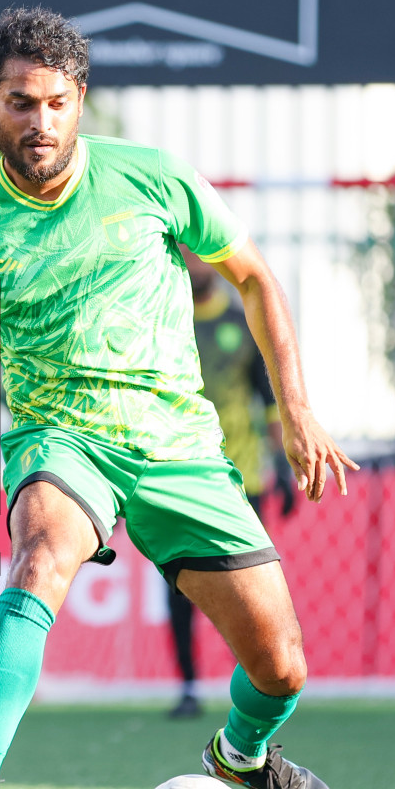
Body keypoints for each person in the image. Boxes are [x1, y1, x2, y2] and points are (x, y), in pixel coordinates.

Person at [0, 7, 357, 789]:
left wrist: (297, 409)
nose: (40, 121)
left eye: (56, 102)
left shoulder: (150, 178)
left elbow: (255, 278)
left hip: (180, 445)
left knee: (282, 667)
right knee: (39, 558)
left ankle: (243, 757)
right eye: (20, 103)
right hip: (60, 439)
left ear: (82, 101)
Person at [165, 248, 296, 719]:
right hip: (178, 476)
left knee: (249, 593)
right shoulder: (164, 321)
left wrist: (281, 467)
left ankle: (256, 685)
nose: (195, 265)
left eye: (201, 257)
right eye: (186, 257)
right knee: (179, 589)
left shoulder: (242, 324)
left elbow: (267, 401)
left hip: (241, 480)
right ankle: (189, 686)